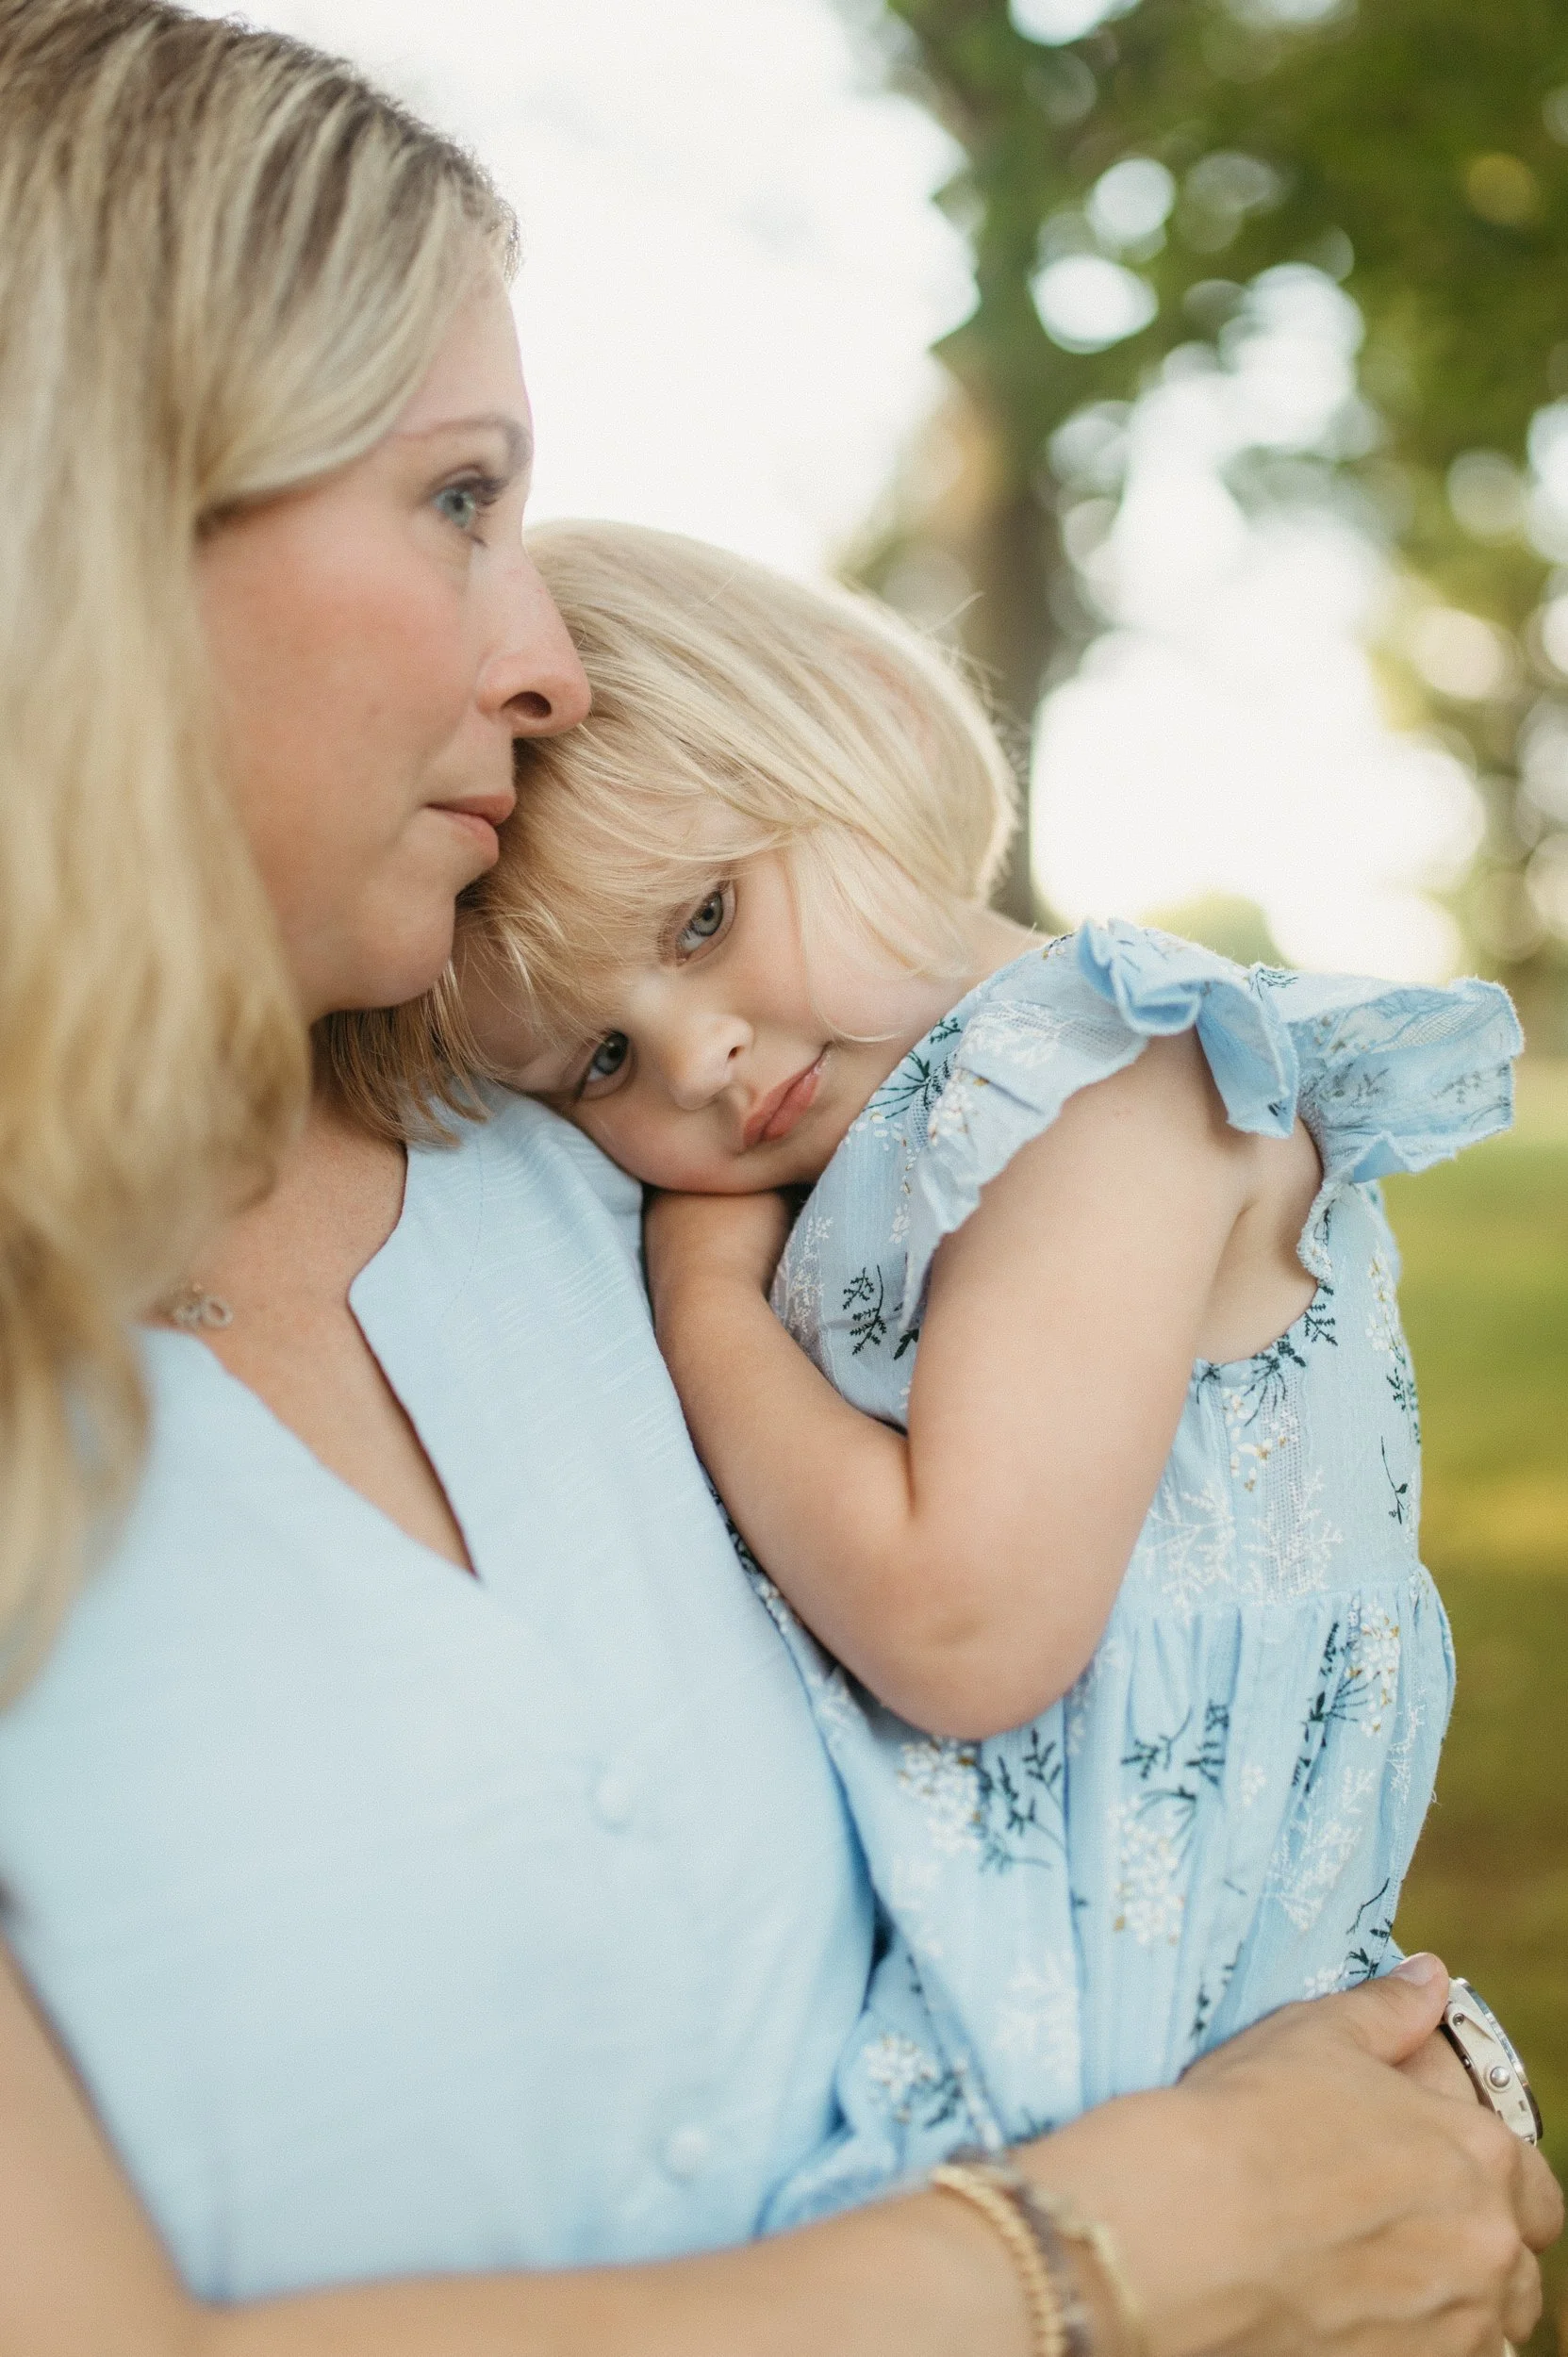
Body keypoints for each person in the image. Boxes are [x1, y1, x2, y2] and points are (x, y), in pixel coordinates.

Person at [0, 6, 1556, 2355]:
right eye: (457, 500)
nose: (547, 664)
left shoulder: (599, 1177)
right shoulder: (644, 1167)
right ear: (96, 523)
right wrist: (1102, 2258)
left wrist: (1376, 2133)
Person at [448, 519, 1520, 2185]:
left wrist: (705, 1314)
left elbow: (965, 1627)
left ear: (867, 729)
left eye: (702, 917)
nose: (699, 1055)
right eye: (599, 1063)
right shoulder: (906, 1134)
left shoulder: (1099, 1088)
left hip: (1142, 2012)